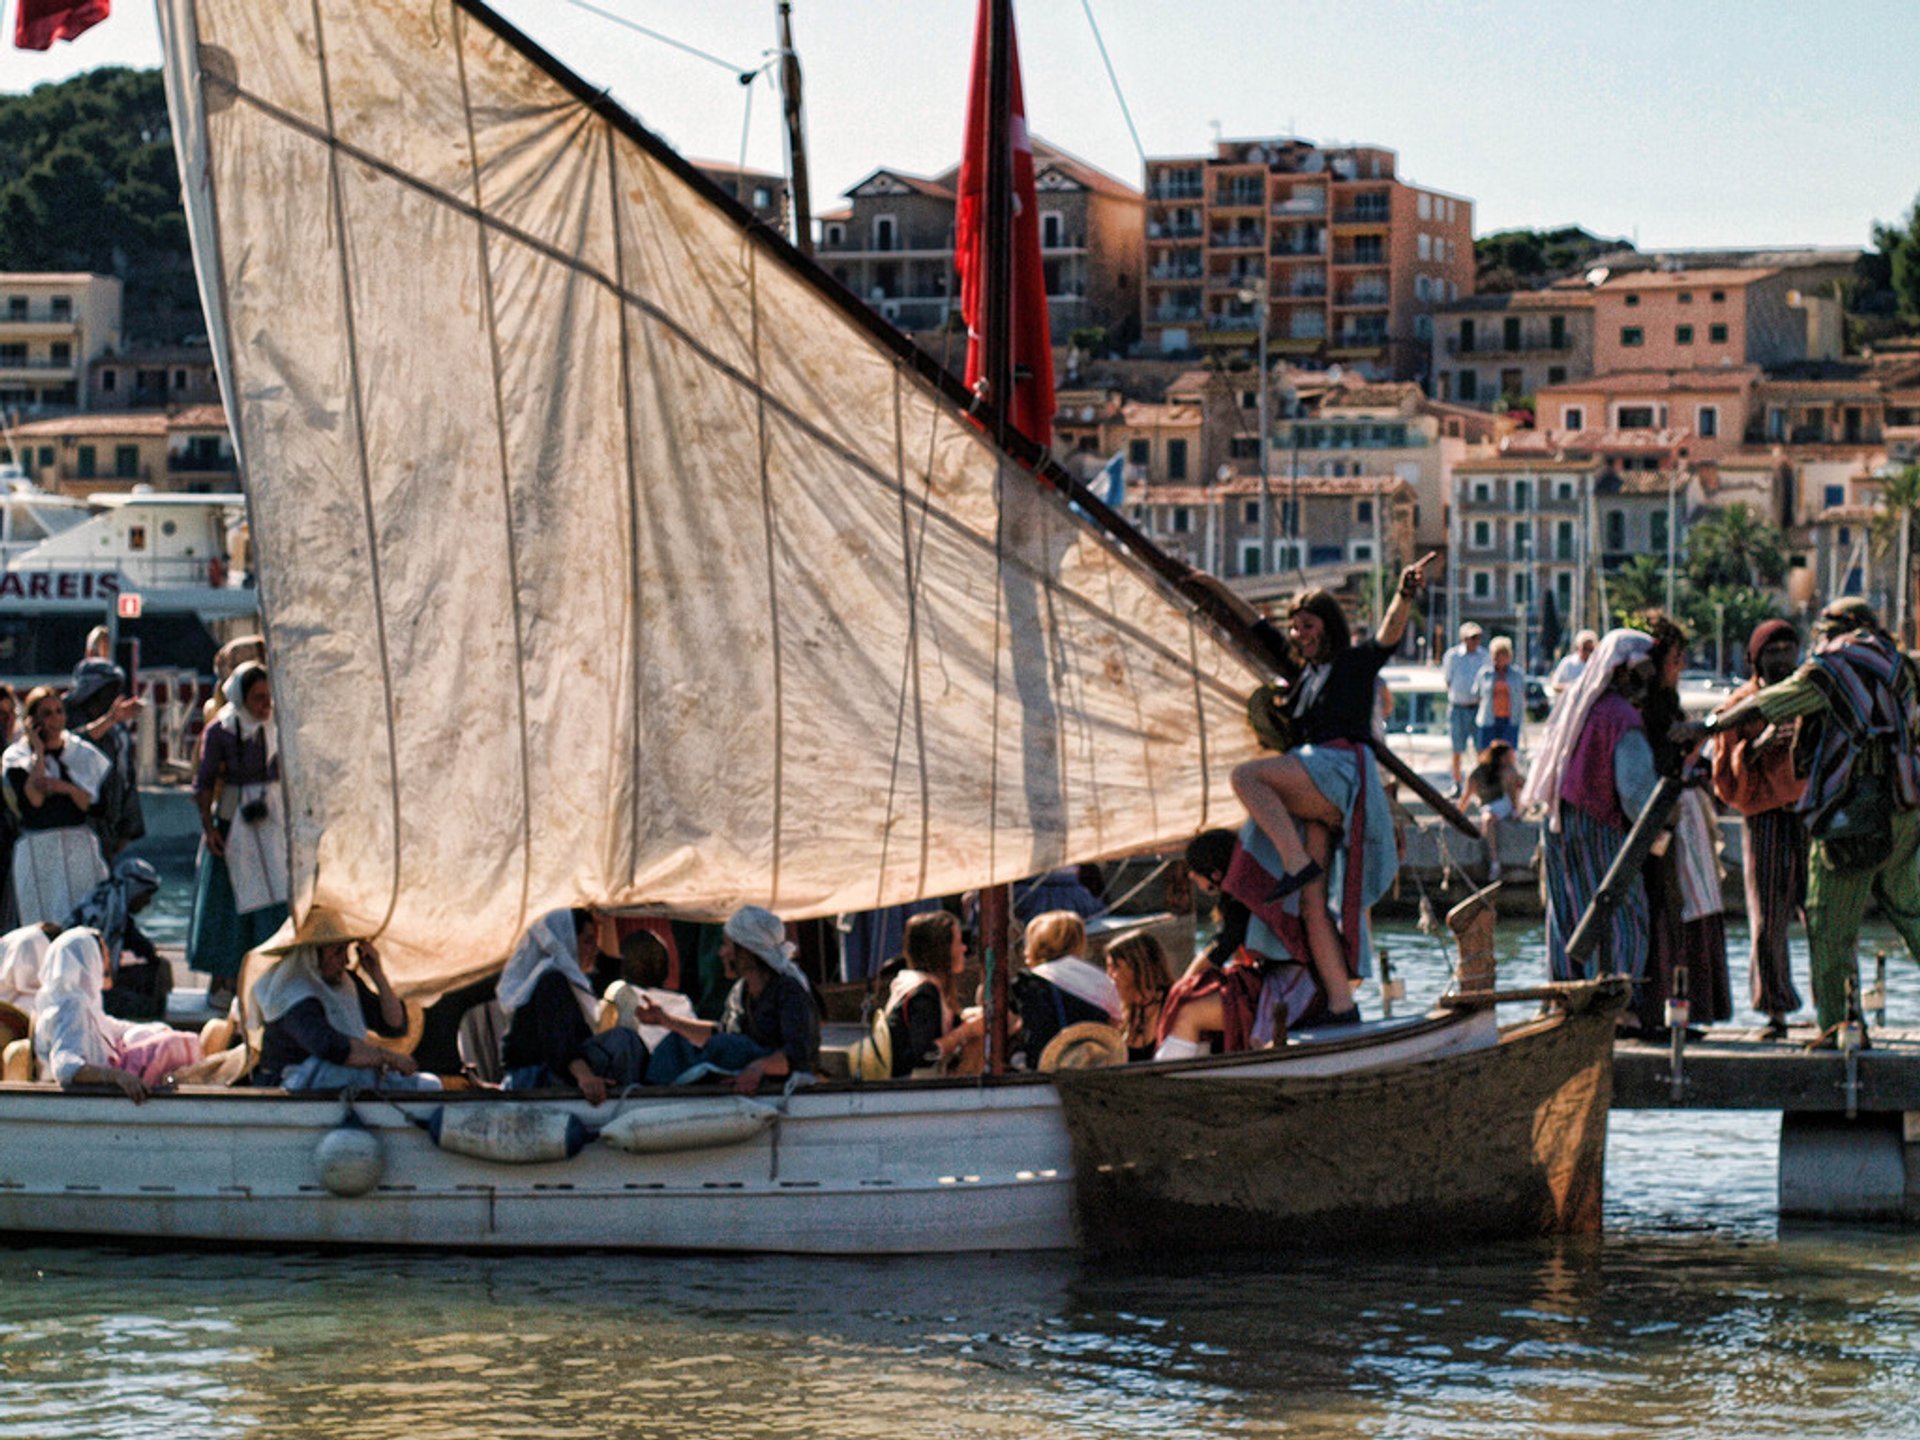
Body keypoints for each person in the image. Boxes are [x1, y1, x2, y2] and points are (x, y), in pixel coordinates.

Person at [1690, 598, 1920, 1048]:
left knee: (1828, 921)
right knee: (1910, 910)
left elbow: (1769, 704)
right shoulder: (1900, 667)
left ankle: (1838, 1026)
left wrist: (1709, 727)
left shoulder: (1837, 665)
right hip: (1905, 805)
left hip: (1853, 815)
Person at [1227, 554, 1435, 1024]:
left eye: (1308, 624)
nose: (1301, 634)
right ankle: (1343, 1007)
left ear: (1328, 624)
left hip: (1338, 772)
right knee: (1312, 906)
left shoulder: (1353, 664)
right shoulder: (1303, 677)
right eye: (1296, 627)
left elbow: (1388, 637)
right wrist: (1208, 584)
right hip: (1315, 786)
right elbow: (1255, 626)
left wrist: (1404, 595)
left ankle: (1295, 863)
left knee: (1247, 776)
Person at [1521, 629, 1659, 1009]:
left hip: (1559, 820)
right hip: (1598, 822)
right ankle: (1615, 1005)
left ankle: (1565, 998)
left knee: (1567, 909)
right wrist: (1657, 828)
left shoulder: (1576, 703)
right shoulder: (1619, 716)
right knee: (1620, 910)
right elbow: (1634, 792)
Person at [1710, 619, 1807, 1037]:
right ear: (1757, 658)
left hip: (1807, 813)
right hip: (1764, 815)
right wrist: (1759, 745)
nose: (1782, 659)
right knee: (1767, 914)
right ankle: (1775, 1010)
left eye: (1788, 650)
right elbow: (1727, 777)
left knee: (1821, 911)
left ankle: (1840, 1006)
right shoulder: (1740, 704)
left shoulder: (1807, 696)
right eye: (1774, 651)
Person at [1154, 829, 1327, 1059]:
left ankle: (1173, 1076)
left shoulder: (1245, 899)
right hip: (1279, 978)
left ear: (1215, 873)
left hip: (1295, 986)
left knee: (1188, 1010)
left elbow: (1222, 947)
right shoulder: (1246, 893)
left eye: (1195, 871)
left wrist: (1184, 982)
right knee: (1191, 997)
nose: (1191, 877)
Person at [1638, 614, 1730, 1037]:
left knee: (1688, 911)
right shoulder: (1650, 711)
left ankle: (1682, 1009)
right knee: (1672, 912)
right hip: (1665, 827)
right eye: (1676, 658)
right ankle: (1664, 1009)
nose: (1681, 665)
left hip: (1682, 822)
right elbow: (1663, 762)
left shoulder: (1666, 705)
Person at [187, 662, 290, 1010]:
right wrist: (210, 828)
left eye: (268, 698)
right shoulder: (222, 730)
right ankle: (225, 982)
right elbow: (202, 783)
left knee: (277, 890)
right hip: (235, 806)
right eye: (258, 698)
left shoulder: (277, 725)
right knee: (230, 900)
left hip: (272, 812)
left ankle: (274, 977)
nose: (265, 706)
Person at [252, 908, 439, 1091]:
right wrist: (387, 1057)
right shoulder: (292, 994)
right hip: (292, 1083)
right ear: (312, 955)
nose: (346, 960)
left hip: (335, 1078)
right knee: (348, 1073)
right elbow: (332, 1048)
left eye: (346, 950)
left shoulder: (346, 983)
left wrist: (378, 975)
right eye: (338, 952)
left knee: (430, 1085)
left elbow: (393, 1025)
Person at [639, 905, 820, 1095]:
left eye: (727, 945)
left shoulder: (788, 992)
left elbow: (799, 1056)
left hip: (779, 1089)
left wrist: (758, 1068)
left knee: (731, 1047)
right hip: (739, 1079)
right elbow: (720, 1033)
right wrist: (667, 1021)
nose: (721, 953)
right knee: (675, 1044)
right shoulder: (741, 992)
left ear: (748, 951)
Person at [33, 927, 201, 1100]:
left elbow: (111, 1026)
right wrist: (117, 1077)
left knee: (164, 1037)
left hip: (105, 1081)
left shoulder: (73, 1002)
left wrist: (157, 1029)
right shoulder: (72, 1005)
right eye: (103, 954)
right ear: (89, 959)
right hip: (98, 1094)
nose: (109, 960)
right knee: (171, 1045)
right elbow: (65, 1066)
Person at [497, 908, 644, 1102]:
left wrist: (607, 919)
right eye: (587, 941)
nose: (594, 949)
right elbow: (559, 1040)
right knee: (623, 1041)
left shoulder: (572, 982)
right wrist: (586, 1077)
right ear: (566, 941)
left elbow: (609, 971)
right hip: (537, 1080)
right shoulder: (551, 980)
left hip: (556, 1073)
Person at [3, 686, 110, 928]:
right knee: (42, 924)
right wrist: (38, 752)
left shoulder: (80, 753)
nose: (55, 718)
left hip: (78, 846)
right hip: (38, 848)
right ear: (34, 720)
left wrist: (63, 787)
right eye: (47, 713)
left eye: (59, 711)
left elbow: (89, 803)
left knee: (83, 921)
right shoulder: (17, 757)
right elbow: (35, 800)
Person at [1007, 909, 1122, 1071]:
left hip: (1046, 1068)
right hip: (1094, 1067)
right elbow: (1115, 1024)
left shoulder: (1030, 982)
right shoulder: (1102, 981)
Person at [63, 855, 170, 1021]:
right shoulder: (104, 913)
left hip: (94, 983)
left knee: (158, 971)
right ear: (135, 888)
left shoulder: (115, 907)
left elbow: (143, 947)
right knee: (146, 1006)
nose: (148, 902)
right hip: (84, 990)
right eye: (146, 895)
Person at [879, 909, 982, 1078]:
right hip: (912, 1090)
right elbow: (925, 1056)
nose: (964, 948)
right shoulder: (924, 994)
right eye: (958, 943)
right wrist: (965, 1032)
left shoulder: (918, 985)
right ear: (942, 951)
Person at [64, 659, 145, 861]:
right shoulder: (65, 716)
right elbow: (69, 746)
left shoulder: (118, 731)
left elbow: (126, 777)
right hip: (74, 823)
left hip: (108, 824)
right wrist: (109, 720)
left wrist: (129, 827)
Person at [1104, 931, 1171, 1062]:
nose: (1109, 976)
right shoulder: (1117, 1011)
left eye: (1116, 967)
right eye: (1108, 967)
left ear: (1140, 967)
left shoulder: (1172, 1005)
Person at [1440, 622, 1489, 797]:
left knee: (1480, 749)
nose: (1476, 641)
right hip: (1458, 707)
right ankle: (1457, 783)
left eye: (1478, 637)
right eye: (1472, 637)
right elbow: (1448, 680)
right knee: (1457, 749)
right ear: (1464, 639)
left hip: (1477, 708)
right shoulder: (1452, 656)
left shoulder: (1484, 656)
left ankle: (1480, 784)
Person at [1466, 741, 1524, 882]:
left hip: (1506, 803)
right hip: (1489, 806)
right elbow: (1466, 795)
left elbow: (1522, 783)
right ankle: (1494, 861)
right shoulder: (1479, 772)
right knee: (1488, 819)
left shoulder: (1509, 770)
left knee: (1512, 775)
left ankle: (1516, 811)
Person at [1470, 636, 1526, 750]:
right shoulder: (1484, 674)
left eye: (1503, 655)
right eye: (1497, 655)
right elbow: (1476, 695)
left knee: (1508, 755)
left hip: (1510, 720)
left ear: (1509, 656)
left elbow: (1522, 697)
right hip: (1488, 719)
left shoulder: (1517, 675)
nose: (1500, 658)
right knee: (1487, 754)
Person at [1551, 631, 1600, 698]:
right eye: (1585, 649)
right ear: (1578, 647)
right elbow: (1555, 686)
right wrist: (1572, 688)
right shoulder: (1568, 663)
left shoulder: (1598, 665)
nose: (1588, 652)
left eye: (1591, 650)